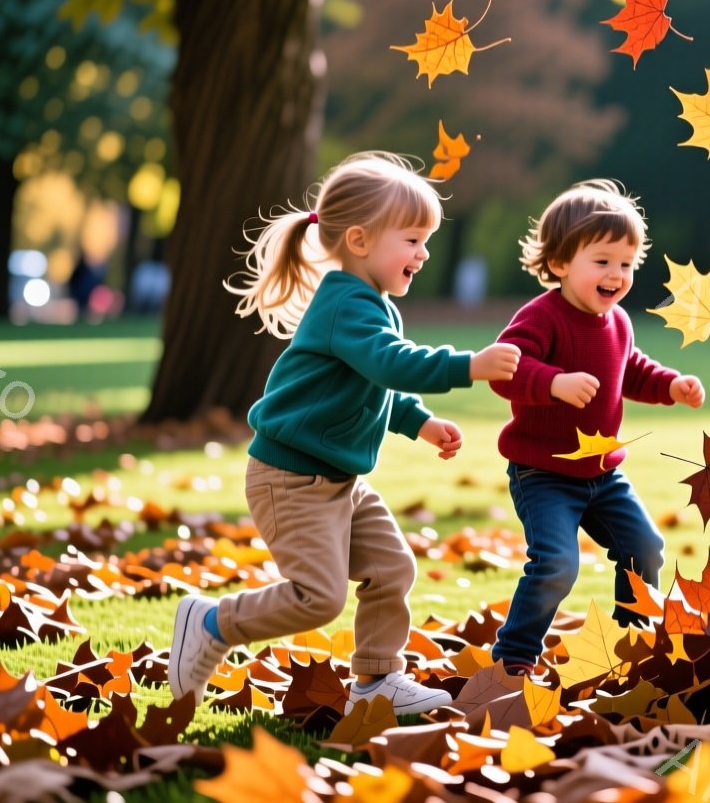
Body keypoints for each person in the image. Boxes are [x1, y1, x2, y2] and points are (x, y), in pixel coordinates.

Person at [168, 152, 521, 715]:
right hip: (291, 479)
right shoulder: (345, 304)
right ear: (359, 240)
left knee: (391, 568)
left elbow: (378, 383)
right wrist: (468, 366)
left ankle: (376, 682)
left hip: (336, 478)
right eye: (411, 239)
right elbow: (389, 363)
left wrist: (419, 421)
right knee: (319, 597)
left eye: (425, 240)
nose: (423, 252)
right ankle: (210, 622)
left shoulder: (373, 303)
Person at [488, 180, 705, 677]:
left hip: (603, 475)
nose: (617, 275)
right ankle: (515, 656)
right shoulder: (541, 317)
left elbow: (631, 370)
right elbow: (505, 371)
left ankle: (633, 639)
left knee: (645, 548)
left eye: (626, 264)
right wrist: (553, 383)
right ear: (561, 263)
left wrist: (671, 386)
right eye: (602, 261)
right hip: (543, 473)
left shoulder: (618, 321)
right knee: (557, 564)